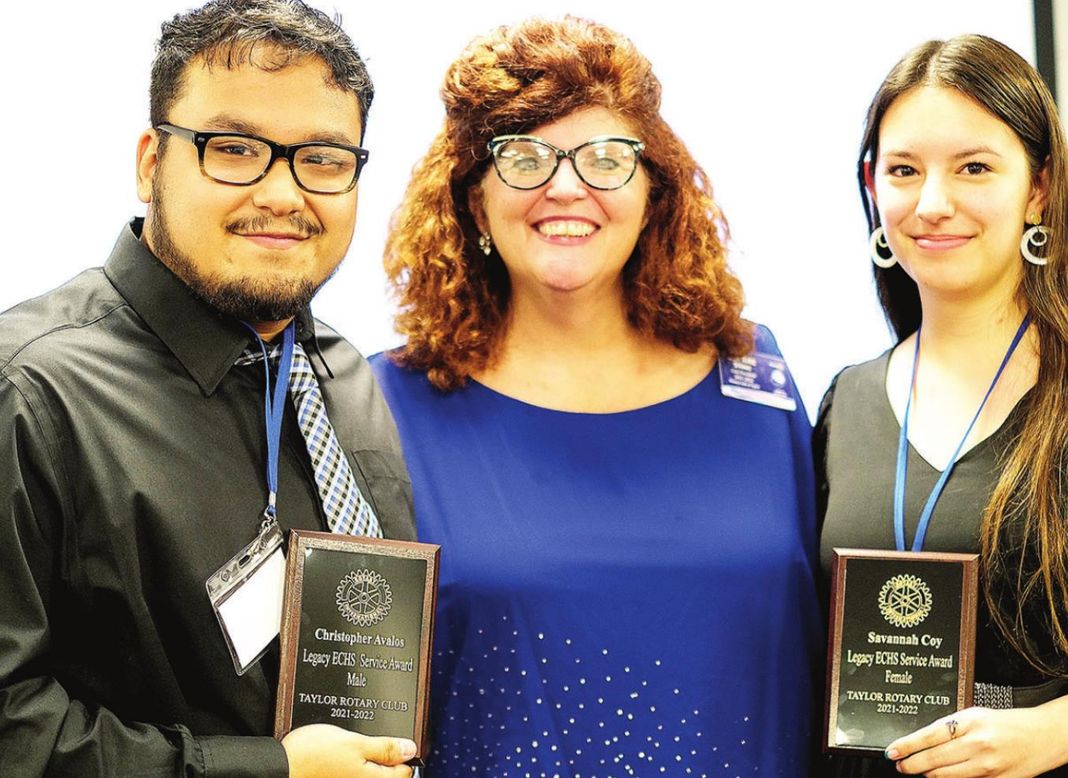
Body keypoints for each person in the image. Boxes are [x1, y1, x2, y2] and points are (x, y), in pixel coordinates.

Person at [371, 16, 821, 777]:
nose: (567, 186)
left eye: (606, 158)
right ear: (474, 200)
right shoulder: (388, 405)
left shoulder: (755, 376)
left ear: (654, 190)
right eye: (524, 158)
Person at [0, 1, 419, 775]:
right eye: (234, 148)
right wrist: (270, 770)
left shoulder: (346, 373)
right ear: (150, 162)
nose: (283, 194)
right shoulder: (28, 391)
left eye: (323, 157)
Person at [815, 34, 1068, 777]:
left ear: (1039, 187)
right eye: (904, 171)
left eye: (974, 168)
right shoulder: (847, 403)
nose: (933, 204)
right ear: (873, 185)